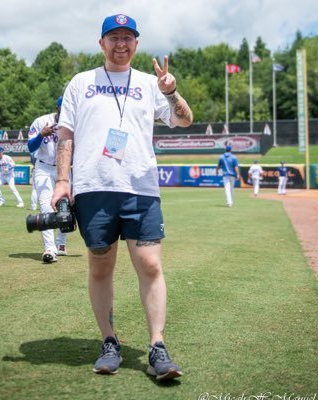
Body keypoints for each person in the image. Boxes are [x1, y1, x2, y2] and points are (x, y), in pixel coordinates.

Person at [52, 14, 193, 381]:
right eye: (113, 37)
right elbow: (65, 133)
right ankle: (109, 341)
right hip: (94, 186)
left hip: (140, 188)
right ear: (101, 43)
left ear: (136, 44)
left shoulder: (150, 84)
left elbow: (185, 119)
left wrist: (170, 91)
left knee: (149, 264)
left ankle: (157, 346)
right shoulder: (81, 83)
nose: (121, 43)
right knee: (101, 265)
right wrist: (61, 181)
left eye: (128, 37)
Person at [28, 96, 69, 263]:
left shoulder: (74, 122)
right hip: (44, 168)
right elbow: (30, 147)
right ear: (57, 108)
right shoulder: (42, 121)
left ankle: (61, 243)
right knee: (46, 206)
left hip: (65, 168)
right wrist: (40, 135)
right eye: (62, 110)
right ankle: (50, 249)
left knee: (65, 208)